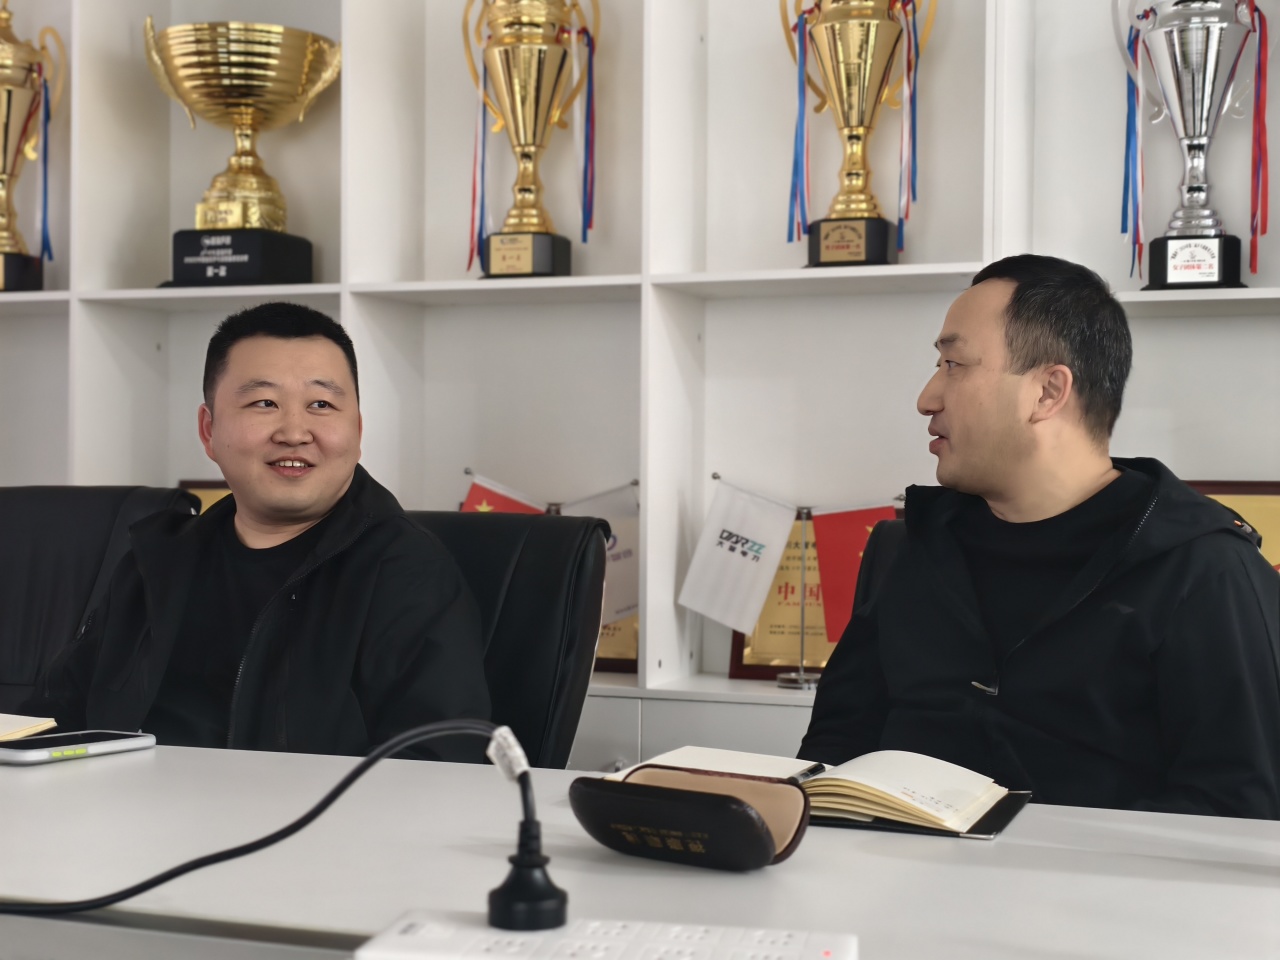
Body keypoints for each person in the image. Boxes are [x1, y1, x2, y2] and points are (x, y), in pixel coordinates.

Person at [800, 255, 1280, 819]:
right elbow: (832, 760)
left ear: (1048, 392)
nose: (927, 397)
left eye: (954, 364)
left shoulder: (1204, 571)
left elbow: (1237, 813)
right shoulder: (905, 550)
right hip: (889, 872)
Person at [27, 302, 490, 760]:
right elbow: (51, 721)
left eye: (322, 404)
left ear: (357, 430)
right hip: (123, 804)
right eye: (264, 403)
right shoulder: (156, 562)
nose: (294, 432)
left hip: (302, 812)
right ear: (208, 430)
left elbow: (439, 763)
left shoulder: (406, 572)